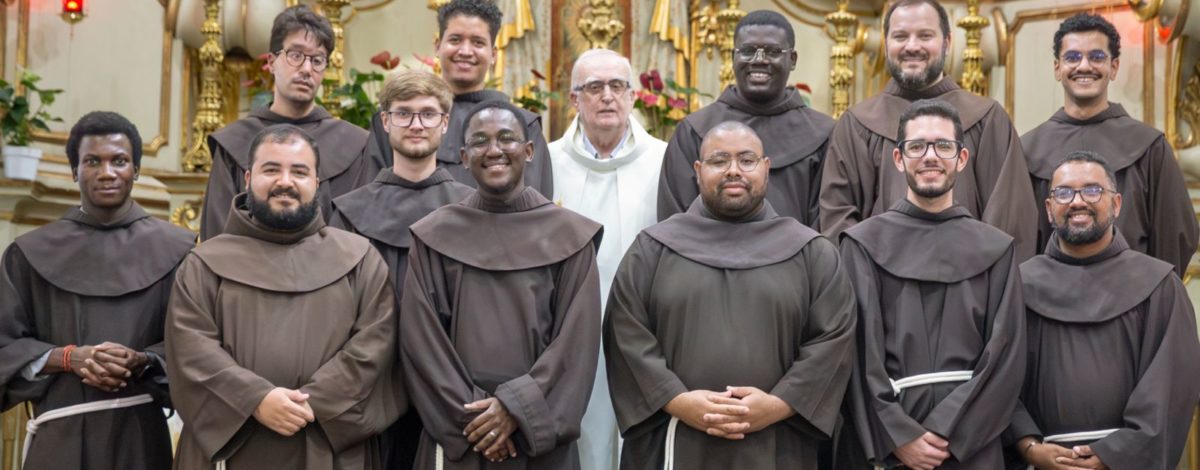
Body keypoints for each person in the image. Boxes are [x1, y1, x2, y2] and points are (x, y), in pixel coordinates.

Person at [605, 121, 856, 469]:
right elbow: (625, 334)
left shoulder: (812, 253)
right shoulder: (652, 250)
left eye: (747, 160)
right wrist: (677, 400)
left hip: (776, 442)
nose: (733, 171)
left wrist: (779, 404)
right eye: (719, 161)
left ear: (766, 168)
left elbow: (833, 342)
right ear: (698, 170)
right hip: (674, 440)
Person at [167, 125, 400, 470]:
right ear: (248, 178)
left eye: (300, 171)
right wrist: (256, 399)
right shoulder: (204, 264)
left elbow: (376, 344)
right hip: (235, 446)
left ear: (317, 184)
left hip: (326, 441)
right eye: (271, 169)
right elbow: (191, 350)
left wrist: (314, 403)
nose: (285, 181)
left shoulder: (359, 258)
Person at [400, 100, 602, 469]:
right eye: (480, 141)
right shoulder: (434, 236)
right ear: (463, 156)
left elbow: (577, 344)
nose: (493, 150)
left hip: (538, 441)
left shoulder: (571, 237)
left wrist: (516, 409)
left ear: (528, 151)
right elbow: (421, 342)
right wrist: (479, 422)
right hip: (463, 436)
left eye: (506, 138)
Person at [0, 111, 193, 470]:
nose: (107, 173)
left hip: (141, 440)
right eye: (92, 161)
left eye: (119, 161)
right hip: (59, 437)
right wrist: (69, 357)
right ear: (74, 170)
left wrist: (143, 360)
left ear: (135, 169)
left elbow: (196, 344)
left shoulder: (179, 251)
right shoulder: (27, 254)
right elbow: (4, 345)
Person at [840, 100, 1026, 469]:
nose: (930, 156)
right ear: (898, 158)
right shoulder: (861, 244)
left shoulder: (996, 248)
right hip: (890, 449)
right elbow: (858, 354)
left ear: (961, 158)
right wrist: (899, 436)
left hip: (972, 446)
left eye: (943, 146)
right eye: (917, 146)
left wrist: (950, 434)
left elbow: (1006, 356)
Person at [1009, 152, 1200, 470]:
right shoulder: (1018, 284)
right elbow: (999, 377)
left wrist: (1116, 454)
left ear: (1116, 204)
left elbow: (1172, 386)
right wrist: (1028, 446)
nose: (1077, 201)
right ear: (1048, 208)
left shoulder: (1158, 285)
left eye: (1092, 190)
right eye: (1064, 192)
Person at [330, 69, 472, 470]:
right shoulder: (348, 212)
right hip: (369, 386)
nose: (416, 124)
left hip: (450, 386)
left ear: (445, 124)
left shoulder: (470, 211)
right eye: (404, 113)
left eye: (428, 114)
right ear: (385, 121)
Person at [820, 0, 1037, 259]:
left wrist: (984, 281)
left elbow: (1010, 218)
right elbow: (838, 218)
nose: (912, 46)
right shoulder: (857, 124)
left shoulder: (988, 119)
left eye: (925, 35)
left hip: (972, 287)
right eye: (900, 36)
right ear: (886, 43)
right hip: (879, 289)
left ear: (947, 42)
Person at [547, 48, 667, 470]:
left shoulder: (664, 161)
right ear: (574, 100)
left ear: (633, 96)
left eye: (617, 86)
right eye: (594, 87)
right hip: (565, 331)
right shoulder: (546, 163)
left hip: (646, 330)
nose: (607, 96)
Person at [1022, 13, 1197, 275]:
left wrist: (1153, 293)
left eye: (1096, 56)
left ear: (1114, 67)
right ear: (1057, 68)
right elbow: (1021, 243)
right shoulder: (1028, 150)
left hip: (1132, 301)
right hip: (1048, 303)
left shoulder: (1150, 147)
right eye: (1072, 57)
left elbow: (1176, 238)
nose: (1084, 66)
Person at [200, 5, 372, 240]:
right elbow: (218, 237)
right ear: (271, 62)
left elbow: (358, 236)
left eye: (317, 60)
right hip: (246, 274)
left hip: (331, 274)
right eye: (295, 55)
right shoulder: (234, 143)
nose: (306, 69)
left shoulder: (354, 145)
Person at [360, 0, 554, 195]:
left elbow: (532, 209)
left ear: (493, 54)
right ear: (437, 46)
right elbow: (372, 198)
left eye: (478, 42)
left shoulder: (523, 126)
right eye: (455, 40)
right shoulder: (397, 120)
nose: (465, 51)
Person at [658, 10, 833, 226]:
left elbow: (828, 221)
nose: (759, 60)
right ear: (733, 57)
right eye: (748, 51)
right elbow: (675, 222)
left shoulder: (824, 134)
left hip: (797, 258)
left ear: (792, 59)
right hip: (706, 258)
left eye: (773, 51)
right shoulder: (694, 130)